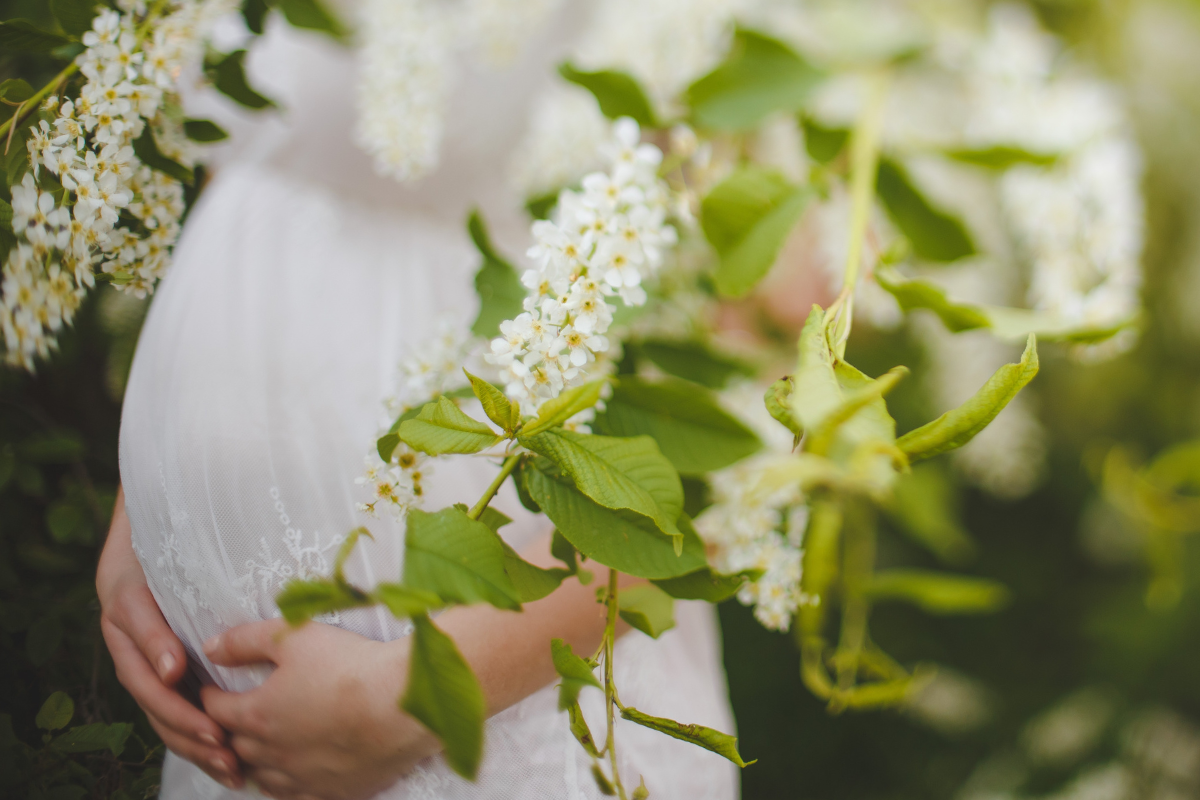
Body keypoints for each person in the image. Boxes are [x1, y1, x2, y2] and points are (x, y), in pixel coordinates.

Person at [96, 7, 739, 799]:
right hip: (227, 738)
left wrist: (421, 694)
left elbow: (753, 417)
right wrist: (144, 532)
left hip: (495, 717)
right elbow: (254, 154)